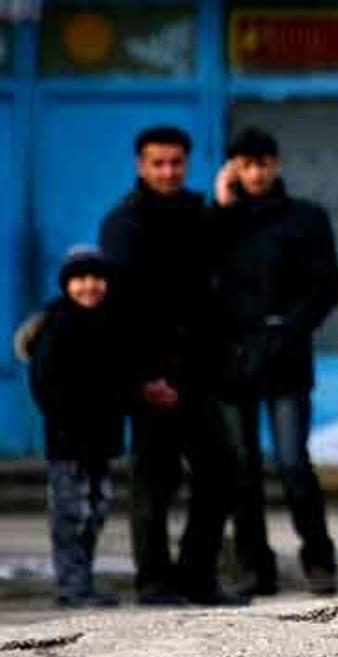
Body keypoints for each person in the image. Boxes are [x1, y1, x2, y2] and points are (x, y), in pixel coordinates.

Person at [100, 126, 244, 606]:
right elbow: (118, 307)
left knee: (222, 471)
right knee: (153, 483)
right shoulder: (124, 224)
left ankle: (196, 576)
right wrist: (141, 378)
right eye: (158, 163)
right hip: (151, 374)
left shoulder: (197, 213)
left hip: (199, 371)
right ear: (141, 165)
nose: (168, 171)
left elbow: (219, 263)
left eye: (176, 163)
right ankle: (154, 582)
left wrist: (224, 207)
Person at [212, 127, 338, 597]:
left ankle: (318, 558)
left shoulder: (306, 218)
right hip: (234, 362)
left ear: (277, 163)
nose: (256, 173)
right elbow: (204, 278)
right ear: (233, 169)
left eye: (263, 163)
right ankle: (253, 566)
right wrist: (222, 208)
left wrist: (287, 327)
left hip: (286, 359)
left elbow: (327, 287)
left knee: (291, 463)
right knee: (242, 469)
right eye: (246, 165)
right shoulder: (219, 222)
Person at [21, 247, 128, 608]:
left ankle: (83, 581)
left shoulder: (111, 323)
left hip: (101, 439)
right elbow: (45, 384)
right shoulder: (59, 325)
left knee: (95, 511)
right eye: (80, 279)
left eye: (96, 278)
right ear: (68, 284)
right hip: (68, 442)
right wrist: (64, 423)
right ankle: (71, 587)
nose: (89, 286)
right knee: (70, 515)